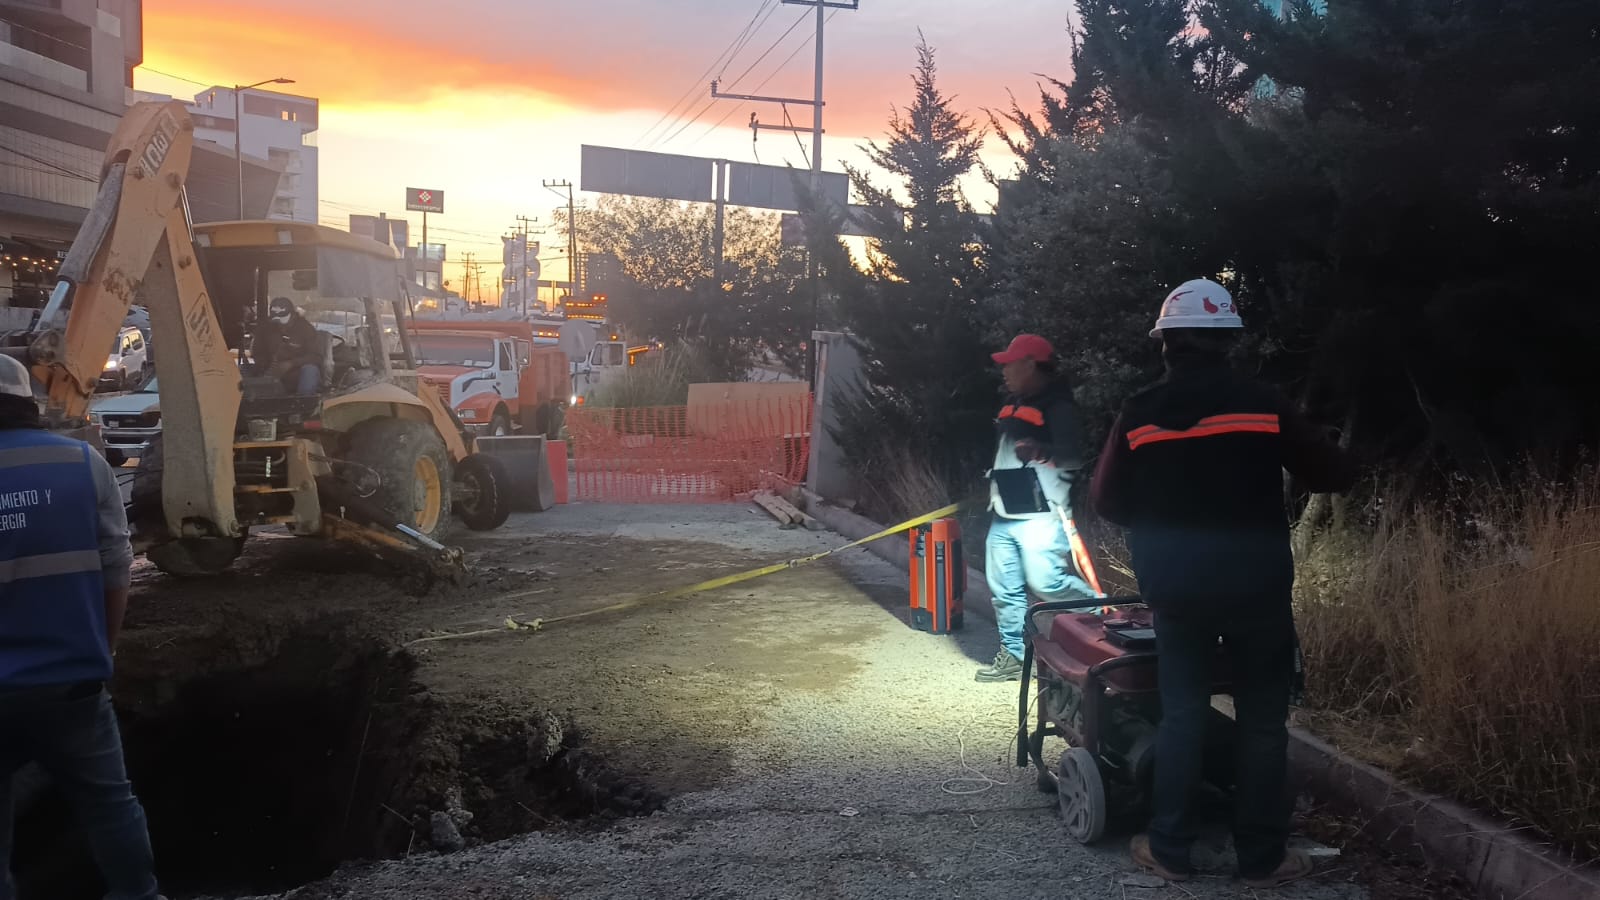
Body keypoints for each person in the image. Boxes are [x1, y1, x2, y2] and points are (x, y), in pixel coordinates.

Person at [1090, 279, 1355, 889]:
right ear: (1228, 342)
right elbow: (1331, 472)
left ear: (1166, 346)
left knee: (1182, 715)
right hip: (1256, 586)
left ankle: (1171, 850)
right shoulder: (1264, 405)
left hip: (1176, 592)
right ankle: (1261, 858)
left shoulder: (1139, 411)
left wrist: (1162, 520)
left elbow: (1107, 500)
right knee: (1263, 722)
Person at [0, 354, 164, 900]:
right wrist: (104, 652)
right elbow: (117, 568)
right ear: (31, 405)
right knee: (109, 802)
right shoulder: (83, 464)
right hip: (72, 682)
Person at [976, 333, 1097, 683]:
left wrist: (1041, 452)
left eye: (1009, 364)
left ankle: (1103, 611)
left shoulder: (1059, 407)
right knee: (1004, 590)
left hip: (1043, 517)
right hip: (1004, 511)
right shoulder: (1013, 404)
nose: (1003, 371)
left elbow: (1073, 458)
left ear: (1030, 364)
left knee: (1048, 584)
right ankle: (1014, 656)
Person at [251, 296, 323, 395]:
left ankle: (304, 401)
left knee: (310, 370)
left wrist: (291, 363)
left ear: (293, 315)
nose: (280, 326)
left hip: (298, 373)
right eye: (277, 322)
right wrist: (265, 366)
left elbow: (317, 357)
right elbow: (257, 353)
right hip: (273, 374)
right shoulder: (265, 328)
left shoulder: (306, 329)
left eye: (283, 320)